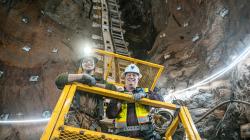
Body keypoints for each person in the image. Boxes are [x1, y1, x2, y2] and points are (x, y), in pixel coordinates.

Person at [55, 56, 116, 130]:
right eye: (85, 61)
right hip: (74, 116)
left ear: (94, 65)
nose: (88, 63)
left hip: (93, 121)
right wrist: (82, 77)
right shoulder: (75, 78)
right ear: (81, 65)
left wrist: (94, 84)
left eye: (91, 61)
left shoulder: (101, 81)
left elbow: (112, 88)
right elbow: (59, 80)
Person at [106, 64, 163, 140]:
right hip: (123, 135)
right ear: (124, 78)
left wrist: (145, 96)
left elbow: (161, 102)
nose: (131, 77)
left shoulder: (146, 91)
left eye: (134, 75)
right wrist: (118, 99)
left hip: (145, 134)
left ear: (138, 78)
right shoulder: (118, 94)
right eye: (129, 75)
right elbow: (110, 114)